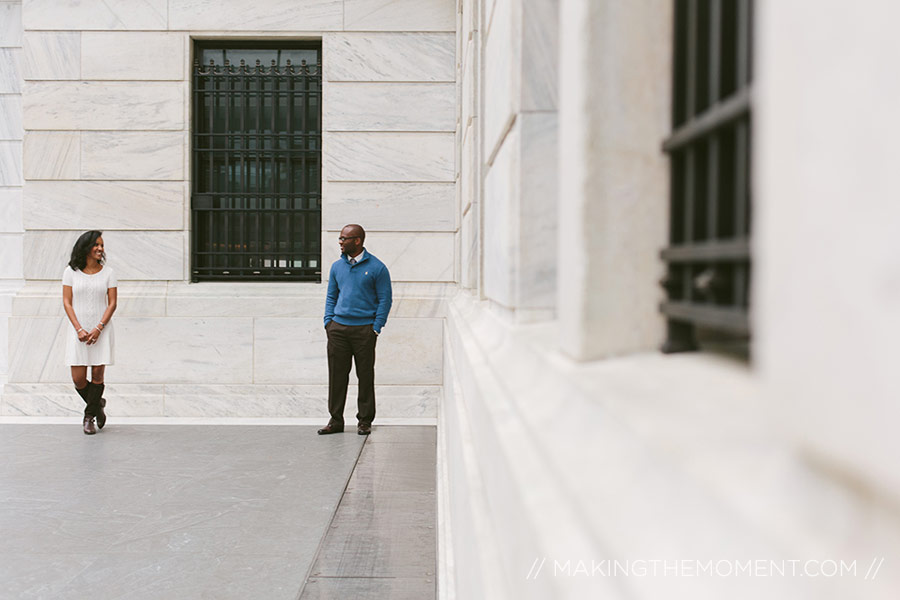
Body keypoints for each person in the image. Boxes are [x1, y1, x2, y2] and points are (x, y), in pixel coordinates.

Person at [318, 224, 392, 436]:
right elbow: (332, 296)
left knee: (365, 376)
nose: (340, 242)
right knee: (337, 376)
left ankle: (364, 421)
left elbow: (385, 299)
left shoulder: (377, 268)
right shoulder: (336, 267)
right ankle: (335, 420)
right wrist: (328, 322)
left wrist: (376, 327)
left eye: (344, 239)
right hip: (338, 329)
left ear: (357, 241)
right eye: (340, 239)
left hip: (364, 331)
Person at [62, 231, 118, 435]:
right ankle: (97, 404)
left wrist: (98, 328)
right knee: (78, 378)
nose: (100, 248)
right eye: (96, 244)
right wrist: (79, 328)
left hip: (101, 329)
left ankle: (89, 417)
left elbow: (112, 304)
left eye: (102, 245)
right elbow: (67, 302)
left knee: (97, 374)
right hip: (78, 330)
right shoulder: (70, 272)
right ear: (85, 247)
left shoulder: (109, 273)